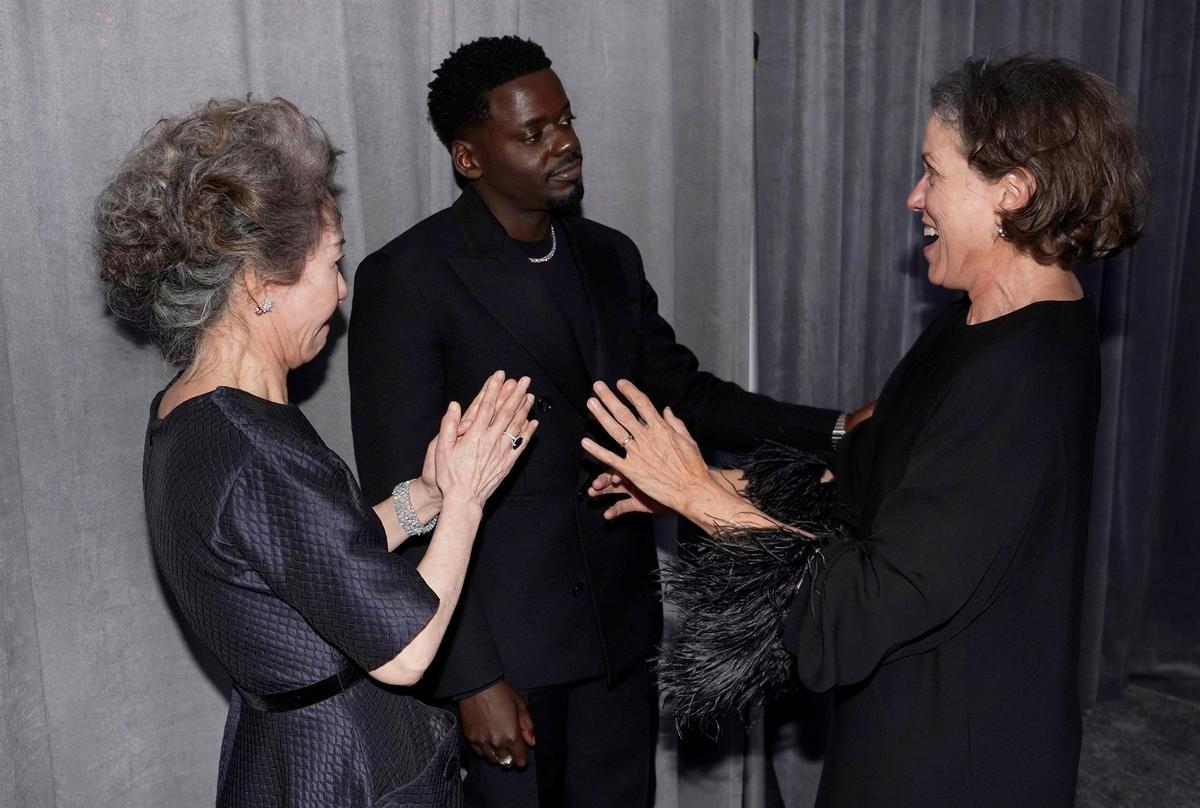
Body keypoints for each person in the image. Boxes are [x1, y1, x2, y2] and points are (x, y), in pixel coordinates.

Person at [581, 55, 1146, 806]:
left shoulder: (1023, 373)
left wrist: (699, 495)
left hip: (957, 756)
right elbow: (872, 479)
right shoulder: (979, 322)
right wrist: (702, 490)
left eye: (933, 173)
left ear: (1013, 192)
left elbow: (871, 597)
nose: (916, 196)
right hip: (913, 713)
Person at [348, 36, 863, 808]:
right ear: (470, 157)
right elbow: (405, 493)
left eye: (565, 120)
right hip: (503, 645)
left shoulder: (609, 256)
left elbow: (685, 393)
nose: (565, 142)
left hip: (619, 633)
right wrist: (469, 678)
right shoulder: (409, 278)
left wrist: (835, 431)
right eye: (533, 133)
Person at [95, 96, 538, 807]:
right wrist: (466, 498)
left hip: (287, 757)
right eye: (332, 264)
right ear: (257, 285)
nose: (340, 291)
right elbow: (408, 651)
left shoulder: (191, 412)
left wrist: (421, 497)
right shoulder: (254, 449)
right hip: (348, 770)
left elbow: (307, 559)